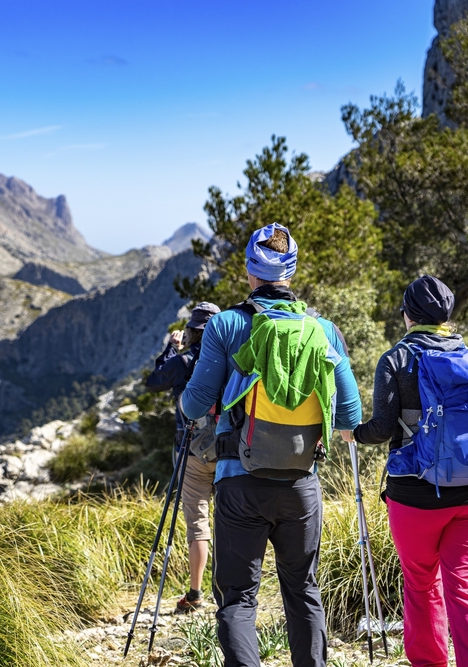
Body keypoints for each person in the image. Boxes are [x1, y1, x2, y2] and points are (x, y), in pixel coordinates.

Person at [181, 223, 362, 667]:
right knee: (302, 590)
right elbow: (351, 416)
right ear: (291, 271)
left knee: (239, 596)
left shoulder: (225, 325)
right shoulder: (322, 329)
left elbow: (193, 405)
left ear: (249, 272)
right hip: (302, 483)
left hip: (240, 482)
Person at [353, 275, 468, 667]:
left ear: (408, 315)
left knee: (421, 583)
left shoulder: (397, 358)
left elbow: (382, 428)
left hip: (417, 494)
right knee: (467, 587)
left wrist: (354, 433)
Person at [145, 301, 221, 612]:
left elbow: (154, 382)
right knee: (230, 519)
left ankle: (195, 592)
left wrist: (171, 349)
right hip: (229, 449)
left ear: (191, 330)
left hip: (191, 450)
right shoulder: (227, 360)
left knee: (198, 522)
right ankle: (231, 590)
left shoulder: (184, 359)